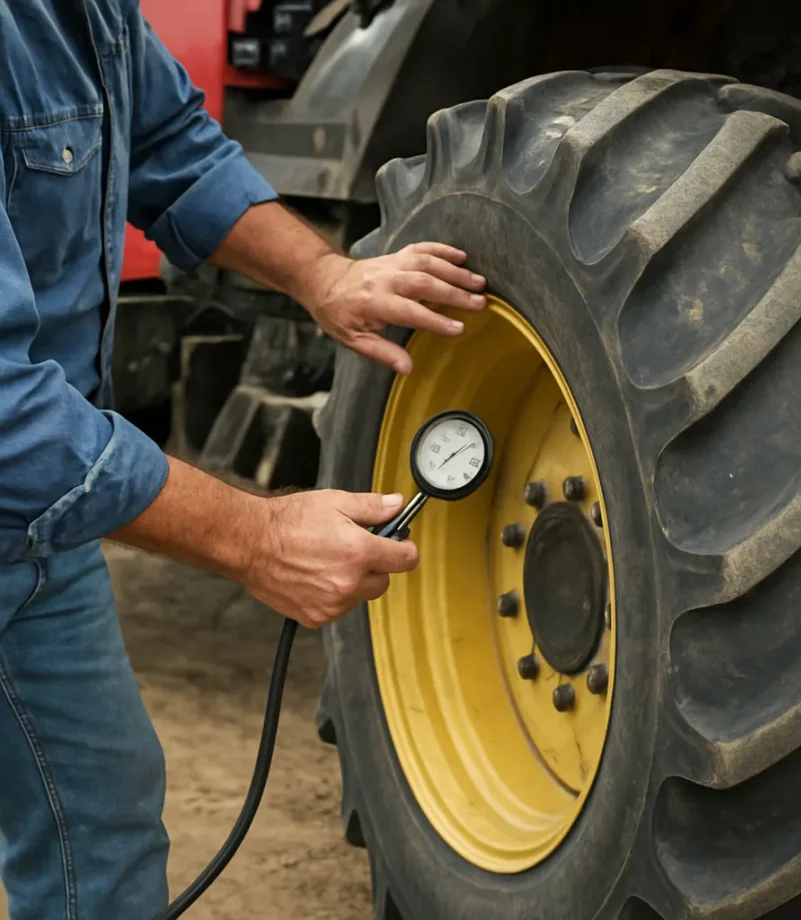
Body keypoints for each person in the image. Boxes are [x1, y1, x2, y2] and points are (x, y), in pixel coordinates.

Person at [0, 2, 488, 918]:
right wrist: (257, 536)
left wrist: (326, 275)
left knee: (98, 817)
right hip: (22, 461)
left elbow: (172, 145)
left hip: (33, 516)